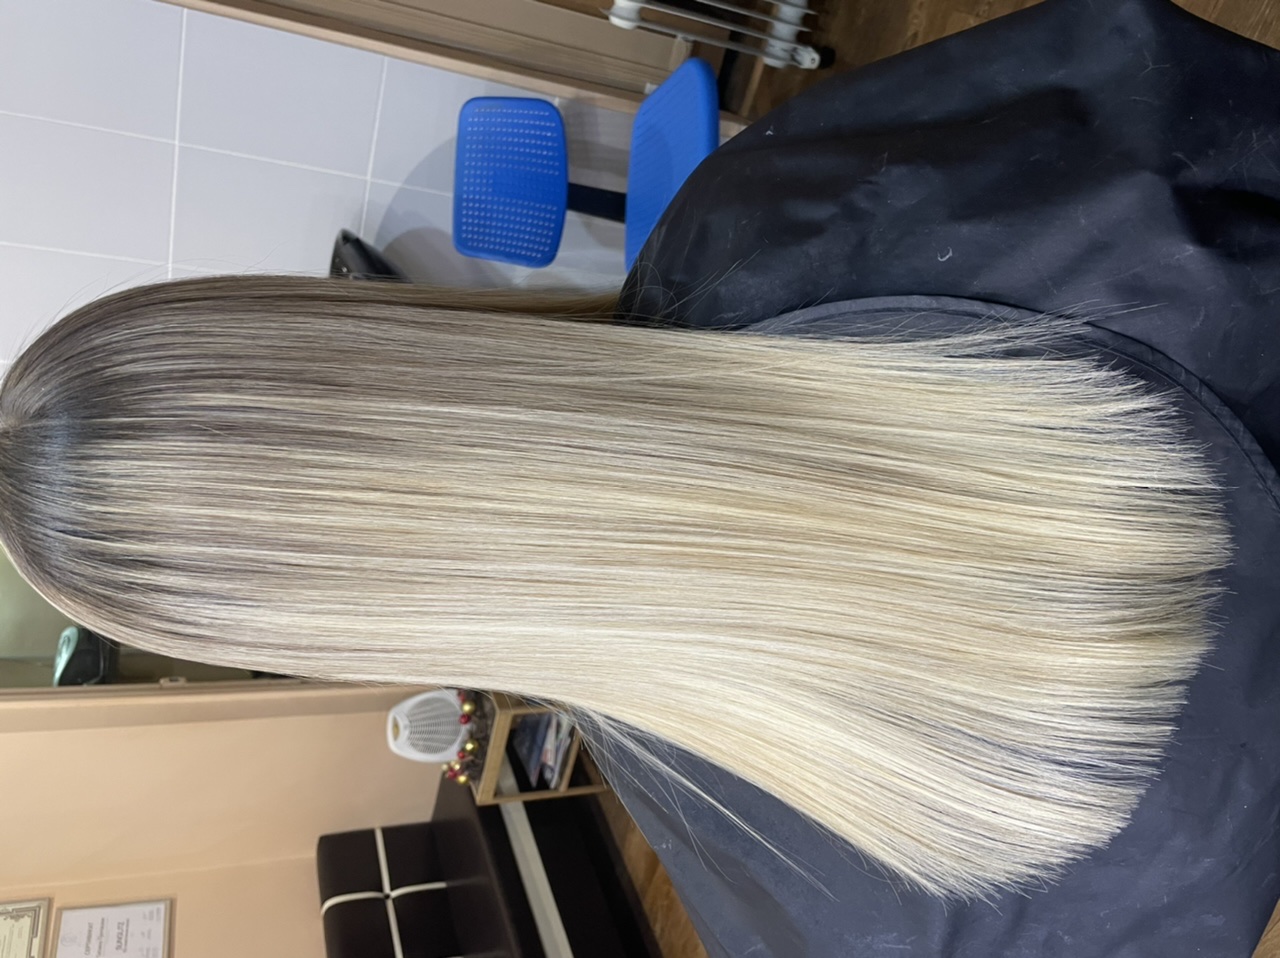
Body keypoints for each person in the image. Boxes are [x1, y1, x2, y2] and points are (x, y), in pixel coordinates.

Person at [0, 0, 1276, 954]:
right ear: (347, 336)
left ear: (317, 628)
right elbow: (1172, 103)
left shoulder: (773, 883)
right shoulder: (757, 214)